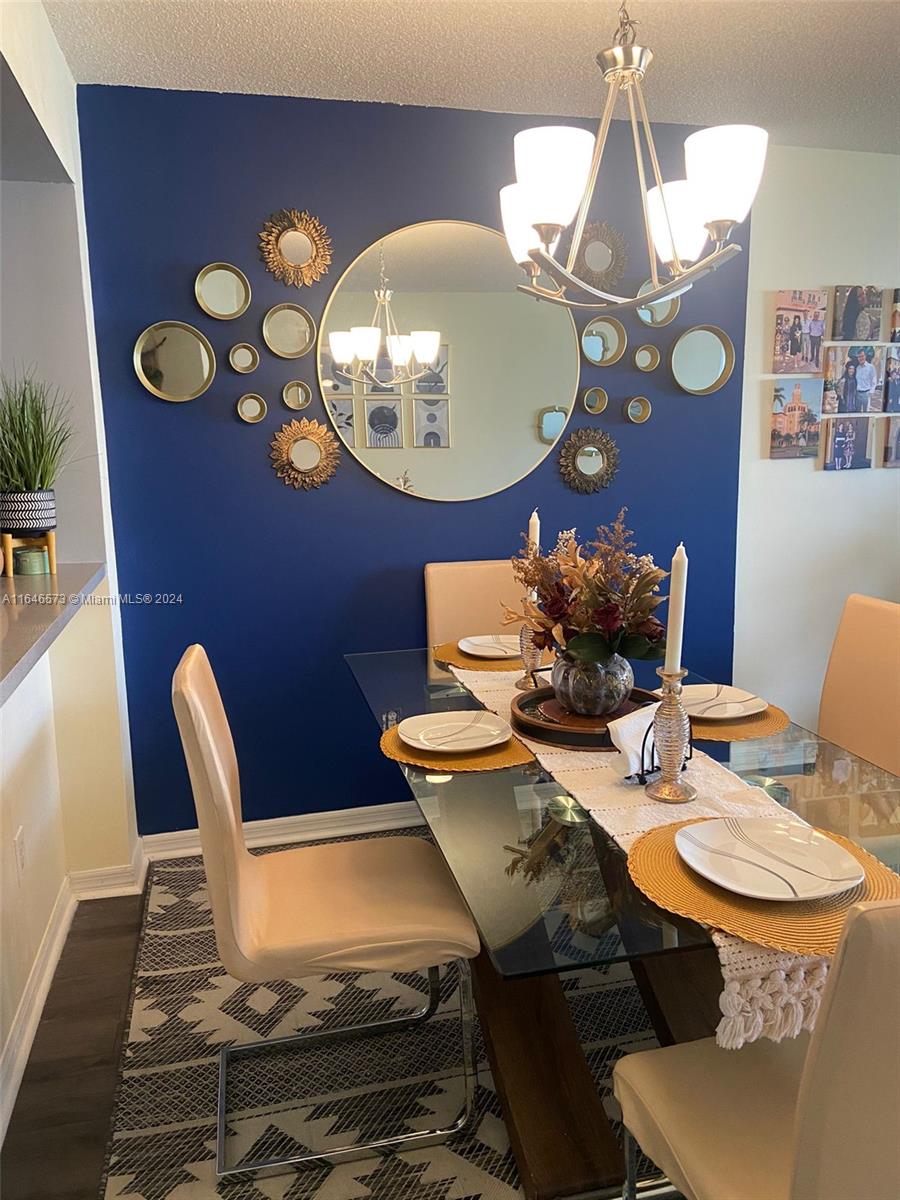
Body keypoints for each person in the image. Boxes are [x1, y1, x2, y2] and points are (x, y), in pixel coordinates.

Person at [853, 347, 878, 412]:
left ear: (865, 356)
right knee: (857, 411)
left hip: (866, 393)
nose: (860, 358)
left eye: (862, 356)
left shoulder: (871, 367)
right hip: (858, 394)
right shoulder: (857, 368)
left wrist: (871, 391)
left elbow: (874, 380)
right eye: (859, 357)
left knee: (865, 412)